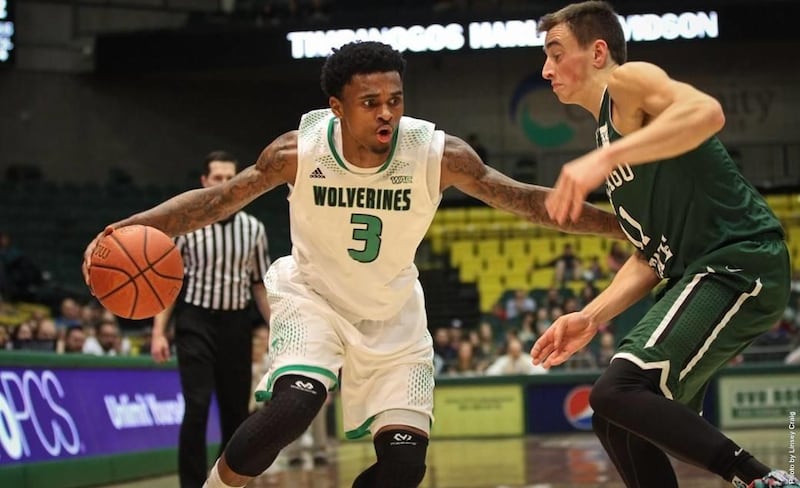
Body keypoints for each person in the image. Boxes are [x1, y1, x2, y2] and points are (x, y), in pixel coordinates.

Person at [82, 41, 622, 488]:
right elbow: (214, 203)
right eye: (370, 102)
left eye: (395, 99)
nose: (387, 112)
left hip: (394, 314)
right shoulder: (298, 152)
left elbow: (531, 202)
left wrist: (622, 225)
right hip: (313, 297)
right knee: (295, 405)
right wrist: (131, 229)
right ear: (337, 108)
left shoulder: (439, 155)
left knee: (406, 464)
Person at [530, 3, 798, 488]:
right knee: (616, 416)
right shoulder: (609, 138)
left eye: (554, 53)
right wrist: (590, 316)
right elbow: (650, 256)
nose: (546, 70)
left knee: (620, 388)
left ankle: (761, 480)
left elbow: (707, 112)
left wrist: (606, 157)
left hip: (739, 261)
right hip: (697, 273)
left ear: (597, 52)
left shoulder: (628, 82)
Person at [150, 151, 272, 488]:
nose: (224, 183)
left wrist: (278, 328)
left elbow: (259, 286)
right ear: (204, 182)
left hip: (236, 323)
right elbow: (170, 286)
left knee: (235, 414)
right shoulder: (186, 226)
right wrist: (159, 332)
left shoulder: (254, 229)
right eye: (217, 177)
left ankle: (222, 483)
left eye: (230, 176)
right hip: (194, 320)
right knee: (198, 404)